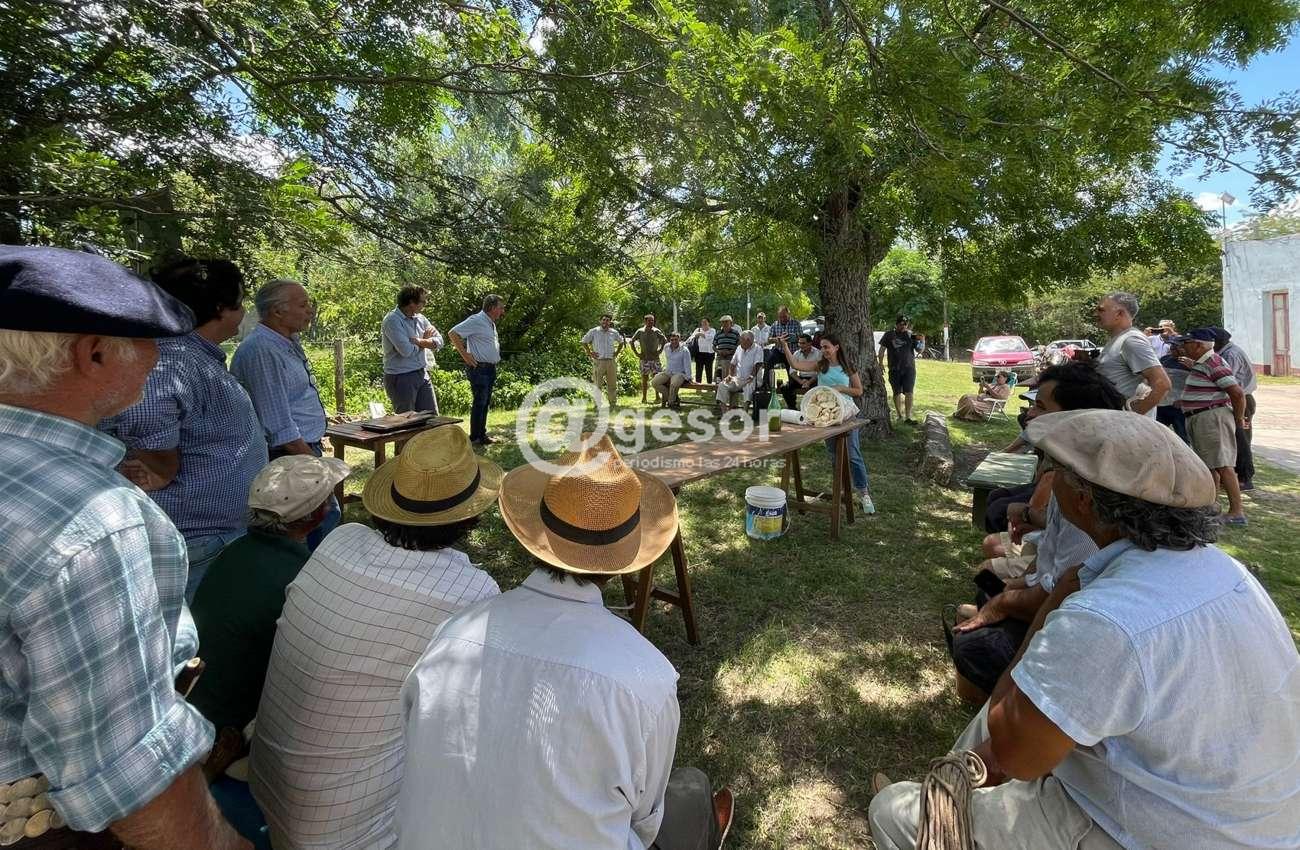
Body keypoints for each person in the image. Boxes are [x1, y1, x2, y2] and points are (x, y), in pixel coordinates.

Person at [869, 409, 1300, 850]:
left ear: (1083, 499)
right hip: (1251, 824)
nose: (1050, 480)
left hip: (1146, 832)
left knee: (890, 811)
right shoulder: (1227, 572)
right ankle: (947, 788)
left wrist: (1051, 606)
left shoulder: (1105, 615)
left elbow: (1015, 754)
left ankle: (936, 803)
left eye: (1057, 472)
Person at [0, 246, 249, 850]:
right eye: (148, 341)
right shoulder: (92, 523)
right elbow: (138, 785)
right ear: (94, 353)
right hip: (52, 828)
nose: (159, 357)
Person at [397, 434, 733, 850]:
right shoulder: (646, 679)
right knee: (693, 788)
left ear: (535, 536)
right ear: (620, 562)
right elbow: (644, 822)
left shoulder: (452, 635)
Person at [251, 426, 501, 850]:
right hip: (343, 832)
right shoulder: (472, 593)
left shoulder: (341, 540)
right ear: (469, 515)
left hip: (270, 787)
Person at [947, 362, 1125, 705]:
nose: (1029, 414)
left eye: (1041, 407)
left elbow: (1059, 596)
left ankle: (1001, 703)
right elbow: (1049, 559)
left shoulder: (1087, 491)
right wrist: (1014, 587)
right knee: (986, 590)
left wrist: (1005, 601)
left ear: (1077, 418)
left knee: (974, 645)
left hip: (1075, 624)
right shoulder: (1068, 472)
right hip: (1058, 599)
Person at [101, 254, 268, 601]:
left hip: (215, 536)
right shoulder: (171, 361)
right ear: (220, 309)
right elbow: (146, 428)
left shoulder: (192, 357)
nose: (242, 312)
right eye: (239, 303)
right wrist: (160, 468)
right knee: (191, 627)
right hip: (196, 541)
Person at [187, 454, 352, 763]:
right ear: (318, 515)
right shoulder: (303, 577)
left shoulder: (233, 552)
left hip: (198, 709)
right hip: (232, 729)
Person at [230, 278, 339, 550]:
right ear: (278, 311)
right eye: (303, 305)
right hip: (286, 455)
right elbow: (278, 426)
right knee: (313, 523)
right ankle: (306, 571)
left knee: (322, 519)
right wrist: (316, 466)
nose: (310, 310)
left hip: (299, 450)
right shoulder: (262, 350)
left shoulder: (285, 342)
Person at [782, 333, 875, 514]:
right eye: (822, 347)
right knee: (835, 455)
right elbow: (795, 364)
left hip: (846, 415)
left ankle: (864, 493)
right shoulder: (821, 365)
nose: (823, 350)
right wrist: (785, 346)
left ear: (836, 347)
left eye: (827, 347)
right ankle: (842, 489)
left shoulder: (847, 367)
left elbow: (858, 390)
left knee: (853, 455)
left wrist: (841, 388)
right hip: (826, 417)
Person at [1171, 327, 1249, 525]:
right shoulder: (1202, 363)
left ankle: (1236, 512)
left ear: (1198, 345)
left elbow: (1237, 393)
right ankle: (1211, 506)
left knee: (1223, 465)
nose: (1183, 347)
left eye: (1186, 343)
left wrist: (1239, 419)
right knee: (1210, 465)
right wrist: (1187, 401)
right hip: (1202, 417)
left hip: (1212, 419)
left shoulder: (1213, 362)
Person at [1090, 291, 1169, 417]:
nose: (1095, 314)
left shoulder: (1131, 340)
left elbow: (1161, 384)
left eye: (1101, 310)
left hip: (1125, 425)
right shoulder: (1119, 340)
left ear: (1119, 314)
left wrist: (1131, 416)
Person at [448, 293, 505, 447]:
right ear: (492, 308)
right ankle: (474, 438)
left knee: (485, 402)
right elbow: (453, 333)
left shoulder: (490, 322)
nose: (503, 311)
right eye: (500, 308)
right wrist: (465, 355)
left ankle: (481, 435)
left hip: (489, 368)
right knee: (480, 402)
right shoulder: (477, 320)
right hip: (479, 368)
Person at [380, 285, 442, 414]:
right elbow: (406, 351)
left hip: (422, 372)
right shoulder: (392, 321)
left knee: (431, 417)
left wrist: (420, 341)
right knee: (406, 419)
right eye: (423, 301)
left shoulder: (421, 318)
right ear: (411, 303)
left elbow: (440, 341)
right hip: (401, 377)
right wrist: (426, 343)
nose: (425, 304)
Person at [1213, 327, 1258, 491]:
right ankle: (1235, 476)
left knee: (1241, 439)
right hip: (1237, 399)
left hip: (1241, 400)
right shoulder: (1226, 352)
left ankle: (1245, 478)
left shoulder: (1230, 355)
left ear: (1217, 342)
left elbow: (1226, 381)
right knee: (1234, 438)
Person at [877, 315, 924, 424]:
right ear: (896, 324)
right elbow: (882, 349)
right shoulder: (889, 335)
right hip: (894, 368)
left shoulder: (910, 335)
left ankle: (908, 417)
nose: (903, 326)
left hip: (909, 368)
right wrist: (880, 363)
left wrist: (922, 341)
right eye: (901, 324)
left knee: (909, 391)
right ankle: (899, 415)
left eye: (905, 324)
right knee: (896, 392)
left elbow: (919, 350)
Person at [582, 312, 625, 408]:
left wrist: (617, 352)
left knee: (612, 384)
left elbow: (621, 342)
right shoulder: (594, 331)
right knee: (597, 384)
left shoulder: (613, 332)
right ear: (600, 321)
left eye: (608, 320)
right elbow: (584, 341)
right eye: (604, 320)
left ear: (610, 322)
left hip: (611, 361)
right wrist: (590, 352)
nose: (605, 322)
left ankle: (613, 403)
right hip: (599, 361)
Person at [715, 330, 761, 411]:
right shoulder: (739, 348)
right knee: (722, 385)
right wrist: (730, 375)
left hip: (753, 378)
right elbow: (733, 364)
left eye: (741, 340)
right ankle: (724, 413)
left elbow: (757, 364)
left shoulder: (758, 349)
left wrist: (751, 376)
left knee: (748, 388)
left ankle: (744, 414)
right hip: (738, 379)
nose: (739, 341)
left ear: (748, 340)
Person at [761, 305, 802, 388]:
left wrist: (791, 338)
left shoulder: (796, 324)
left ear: (789, 315)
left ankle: (791, 386)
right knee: (769, 361)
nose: (783, 319)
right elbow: (769, 339)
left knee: (790, 373)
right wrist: (778, 339)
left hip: (792, 352)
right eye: (780, 317)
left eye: (785, 317)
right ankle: (765, 384)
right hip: (779, 351)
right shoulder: (775, 324)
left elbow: (801, 338)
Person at [631, 313, 668, 403]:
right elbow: (632, 341)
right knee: (644, 378)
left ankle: (657, 397)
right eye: (649, 321)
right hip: (644, 359)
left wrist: (660, 350)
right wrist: (637, 353)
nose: (651, 322)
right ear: (645, 321)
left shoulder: (656, 331)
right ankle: (644, 398)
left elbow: (665, 340)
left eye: (652, 321)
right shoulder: (640, 331)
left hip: (655, 358)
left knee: (656, 378)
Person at [778, 333, 821, 409]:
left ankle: (814, 408)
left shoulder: (818, 353)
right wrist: (801, 381)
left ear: (810, 343)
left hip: (814, 379)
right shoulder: (797, 353)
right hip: (801, 379)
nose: (801, 345)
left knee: (818, 387)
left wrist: (809, 382)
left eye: (803, 343)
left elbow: (820, 372)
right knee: (785, 387)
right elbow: (792, 372)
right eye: (799, 343)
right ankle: (792, 407)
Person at [652, 331, 692, 408]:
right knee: (655, 382)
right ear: (669, 340)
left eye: (676, 339)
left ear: (679, 339)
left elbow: (687, 364)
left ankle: (671, 403)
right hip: (668, 372)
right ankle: (673, 398)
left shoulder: (684, 350)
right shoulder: (666, 347)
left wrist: (689, 377)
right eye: (672, 340)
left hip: (680, 373)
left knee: (673, 384)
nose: (674, 341)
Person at [686, 317, 716, 383]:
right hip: (699, 353)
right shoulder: (698, 329)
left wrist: (700, 334)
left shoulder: (712, 330)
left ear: (709, 323)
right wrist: (684, 343)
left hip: (709, 353)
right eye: (702, 322)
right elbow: (691, 338)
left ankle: (709, 385)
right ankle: (698, 384)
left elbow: (711, 337)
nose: (704, 323)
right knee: (698, 371)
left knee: (709, 370)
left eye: (705, 322)